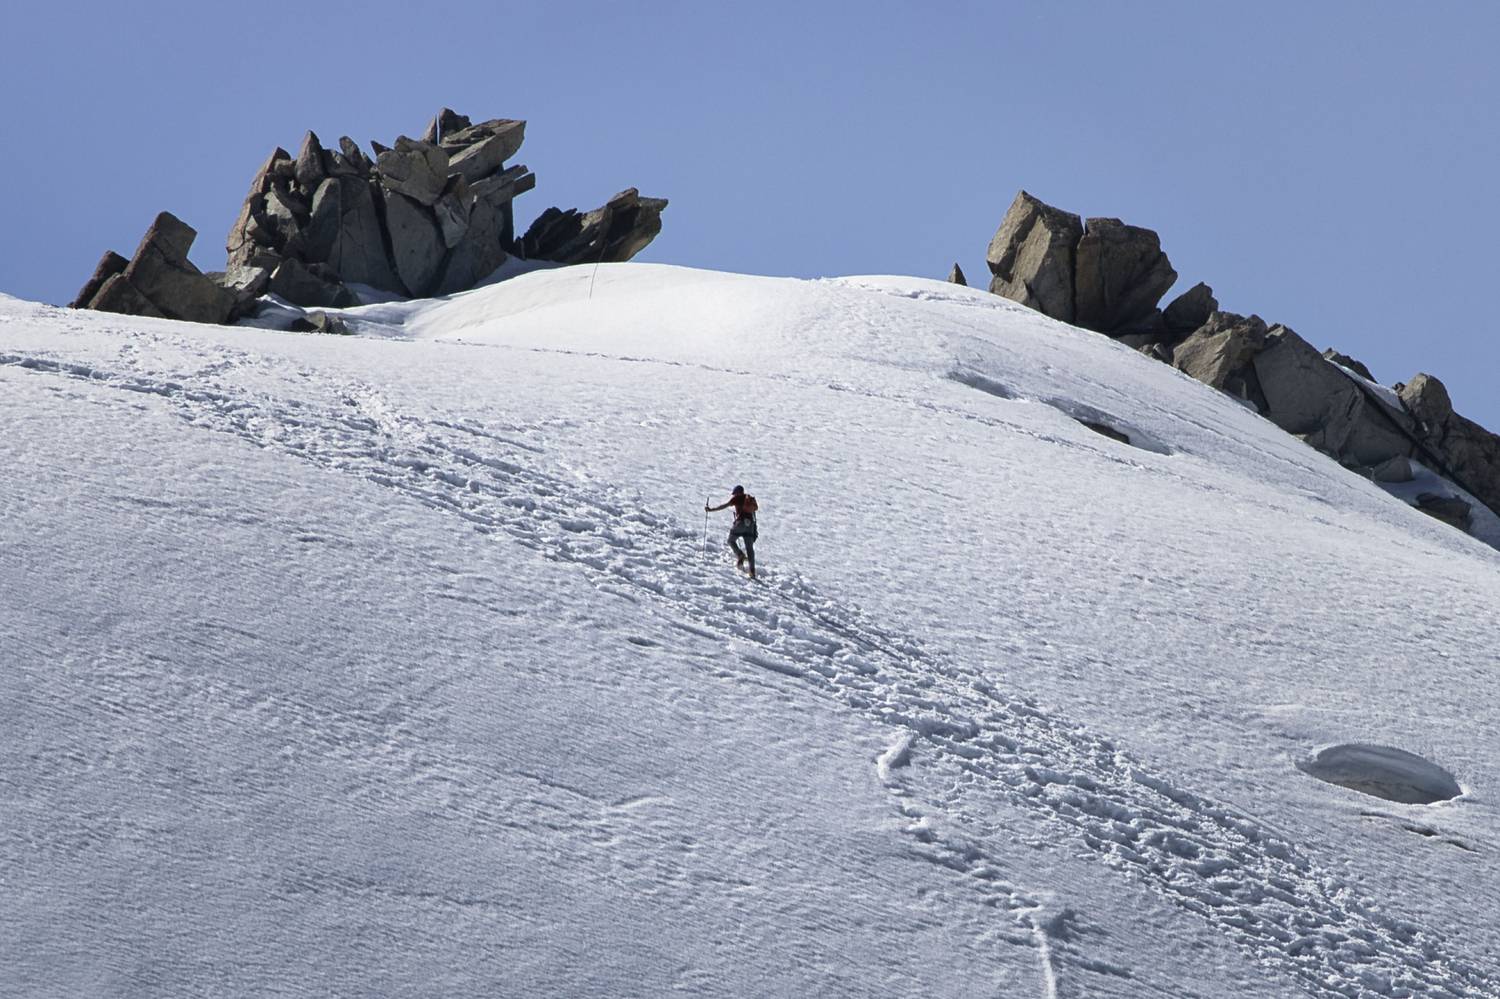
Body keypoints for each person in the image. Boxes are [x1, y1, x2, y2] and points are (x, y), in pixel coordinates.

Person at [706, 485, 758, 577]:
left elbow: (724, 506)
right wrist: (754, 530)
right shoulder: (749, 499)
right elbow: (753, 515)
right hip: (750, 525)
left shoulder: (736, 499)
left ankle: (740, 554)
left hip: (740, 523)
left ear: (737, 493)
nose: (734, 495)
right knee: (750, 549)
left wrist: (711, 510)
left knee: (730, 540)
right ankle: (752, 571)